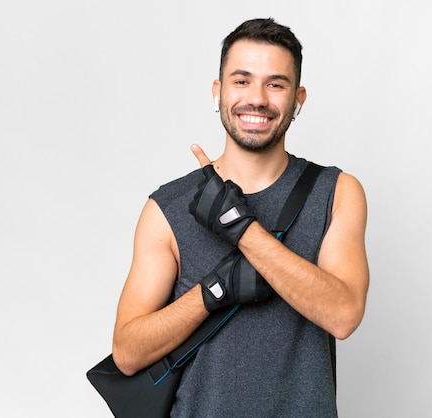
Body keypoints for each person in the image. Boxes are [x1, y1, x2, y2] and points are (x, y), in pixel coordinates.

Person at [111, 17, 369, 417]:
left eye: (276, 84)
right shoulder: (169, 206)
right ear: (218, 92)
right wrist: (215, 290)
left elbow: (343, 315)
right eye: (242, 80)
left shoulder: (335, 192)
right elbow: (127, 352)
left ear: (298, 99)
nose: (258, 99)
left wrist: (241, 227)